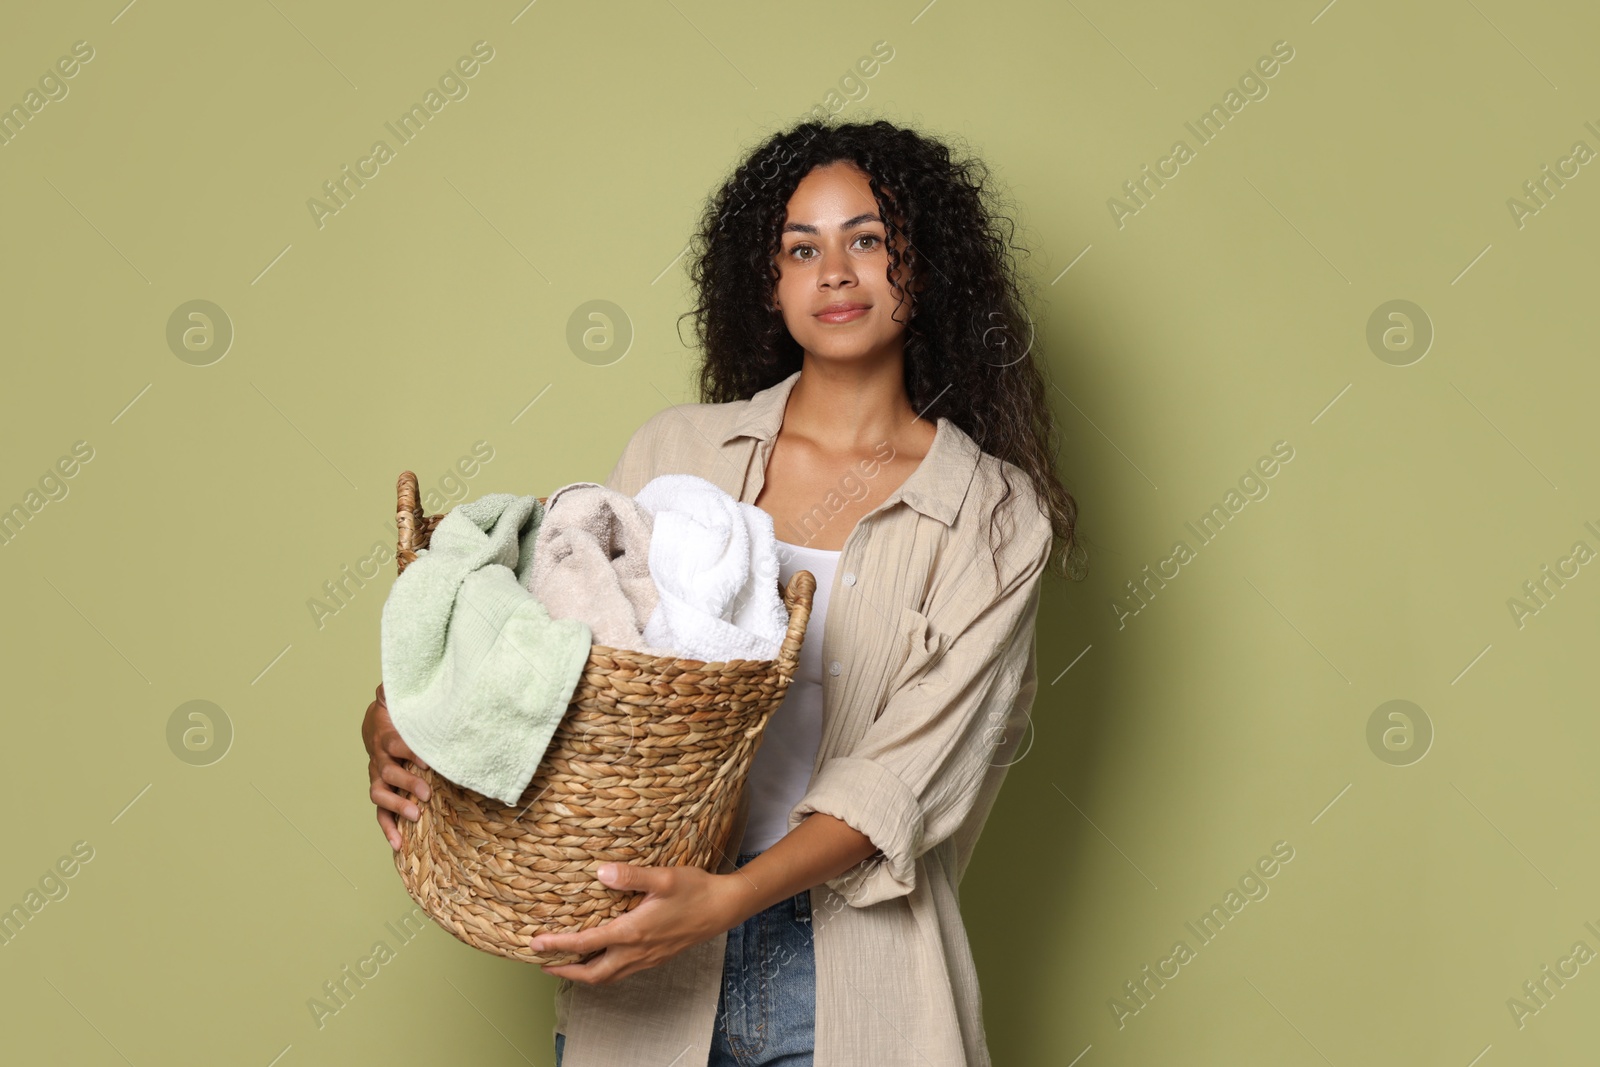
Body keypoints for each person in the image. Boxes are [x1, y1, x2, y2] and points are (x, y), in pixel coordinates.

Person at [363, 117, 1084, 1066]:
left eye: (867, 239)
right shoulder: (675, 452)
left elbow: (905, 776)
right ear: (770, 281)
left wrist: (731, 900)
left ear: (925, 265)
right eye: (802, 246)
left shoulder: (994, 516)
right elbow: (562, 652)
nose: (835, 271)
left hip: (857, 973)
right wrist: (403, 709)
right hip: (646, 955)